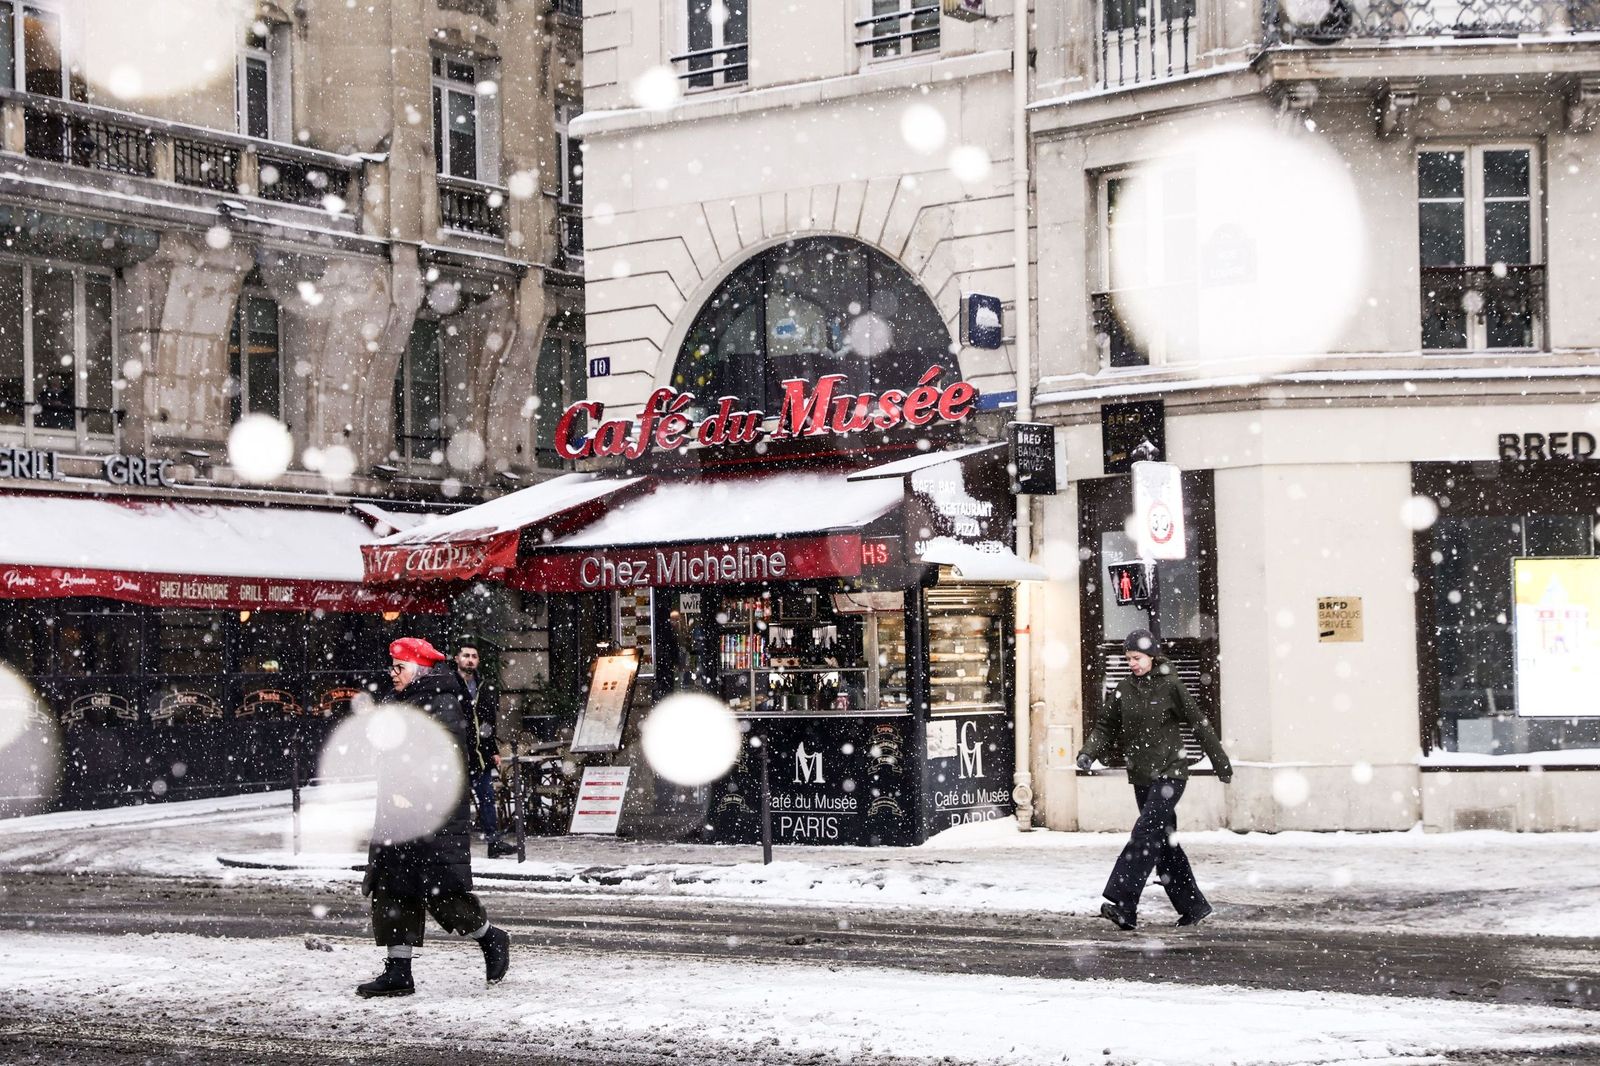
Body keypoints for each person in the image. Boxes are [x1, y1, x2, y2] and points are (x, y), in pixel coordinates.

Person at [357, 637, 511, 998]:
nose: (393, 673)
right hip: (400, 816)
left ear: (419, 670)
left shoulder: (441, 703)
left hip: (431, 817)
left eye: (399, 667)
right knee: (393, 886)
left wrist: (412, 793)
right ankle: (398, 971)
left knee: (442, 893)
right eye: (392, 666)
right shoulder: (406, 700)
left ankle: (491, 937)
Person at [1076, 628, 1233, 931]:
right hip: (1142, 776)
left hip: (1170, 773)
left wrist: (1221, 763)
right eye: (1128, 659)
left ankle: (1125, 904)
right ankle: (1193, 906)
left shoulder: (1171, 685)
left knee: (1145, 832)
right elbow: (1106, 726)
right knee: (1163, 842)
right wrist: (1088, 752)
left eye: (1137, 658)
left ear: (1151, 656)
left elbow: (1199, 724)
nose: (1132, 663)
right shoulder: (1124, 689)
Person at [455, 642, 515, 858]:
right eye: (466, 655)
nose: (470, 660)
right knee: (457, 804)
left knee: (487, 800)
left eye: (474, 656)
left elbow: (489, 724)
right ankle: (454, 846)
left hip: (481, 757)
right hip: (459, 756)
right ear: (457, 659)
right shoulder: (451, 685)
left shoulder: (484, 686)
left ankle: (493, 843)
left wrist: (493, 750)